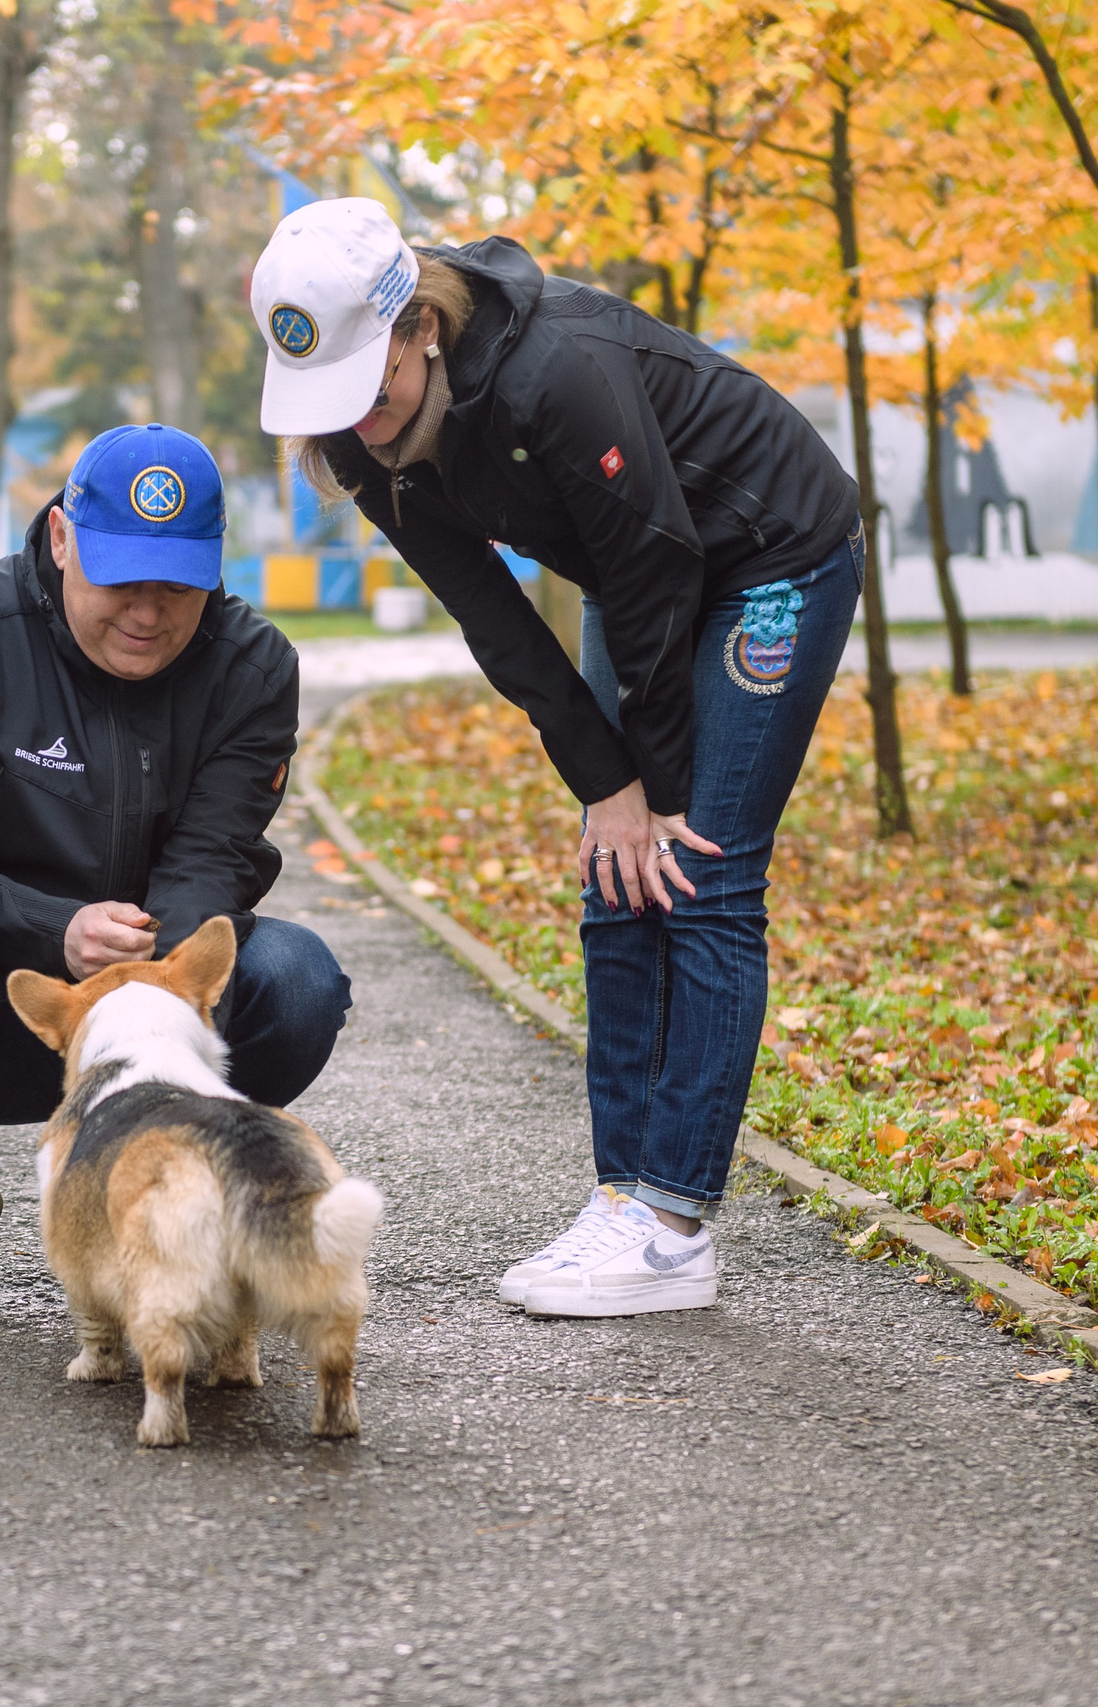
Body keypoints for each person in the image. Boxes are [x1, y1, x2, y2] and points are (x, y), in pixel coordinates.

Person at [251, 198, 861, 1319]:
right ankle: (623, 1197)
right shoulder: (355, 436)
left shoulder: (554, 372)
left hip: (769, 554)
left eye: (372, 390)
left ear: (419, 326)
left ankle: (674, 1229)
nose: (360, 426)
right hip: (632, 571)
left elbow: (657, 574)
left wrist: (658, 792)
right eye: (332, 402)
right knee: (615, 869)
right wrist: (606, 787)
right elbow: (493, 616)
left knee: (701, 866)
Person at [0, 423, 352, 1310]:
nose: (148, 615)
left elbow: (212, 855)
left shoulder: (255, 665)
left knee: (300, 979)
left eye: (177, 586)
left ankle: (201, 1189)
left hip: (160, 983)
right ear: (60, 538)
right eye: (121, 581)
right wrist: (53, 928)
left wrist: (152, 987)